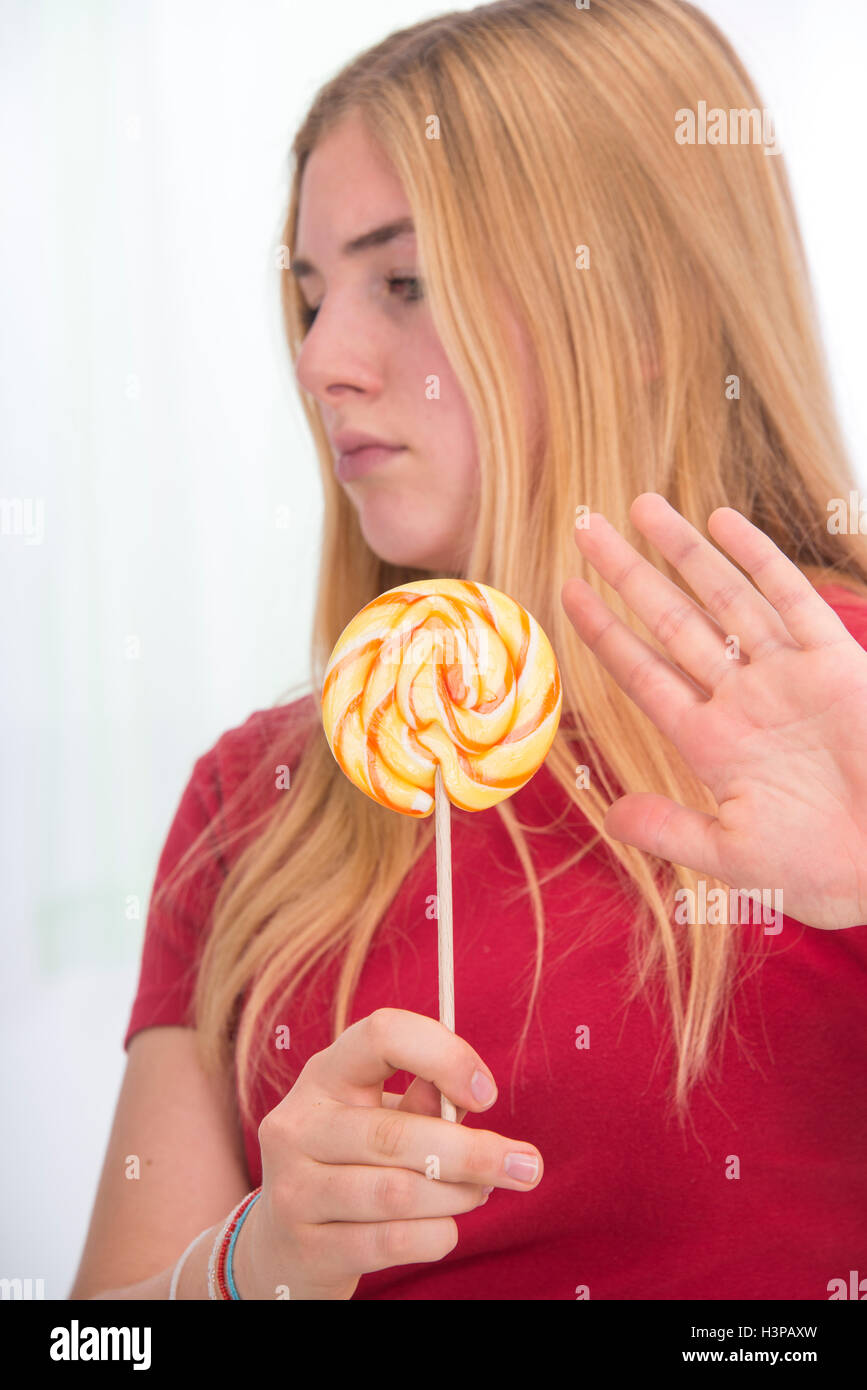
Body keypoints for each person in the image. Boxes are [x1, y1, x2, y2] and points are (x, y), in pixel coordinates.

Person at [70, 0, 867, 1301]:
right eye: (311, 295)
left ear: (646, 306)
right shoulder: (252, 799)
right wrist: (247, 1264)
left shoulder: (851, 706)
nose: (322, 360)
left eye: (406, 280)